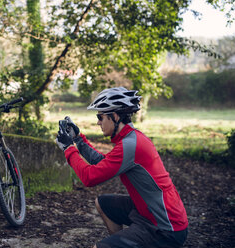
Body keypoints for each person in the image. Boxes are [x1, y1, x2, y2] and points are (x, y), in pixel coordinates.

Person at [55, 87, 188, 248]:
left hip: (165, 227)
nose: (98, 122)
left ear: (115, 116)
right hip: (148, 212)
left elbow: (90, 177)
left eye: (100, 116)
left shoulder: (130, 144)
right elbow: (103, 162)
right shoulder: (132, 139)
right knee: (102, 203)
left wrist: (69, 148)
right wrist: (78, 140)